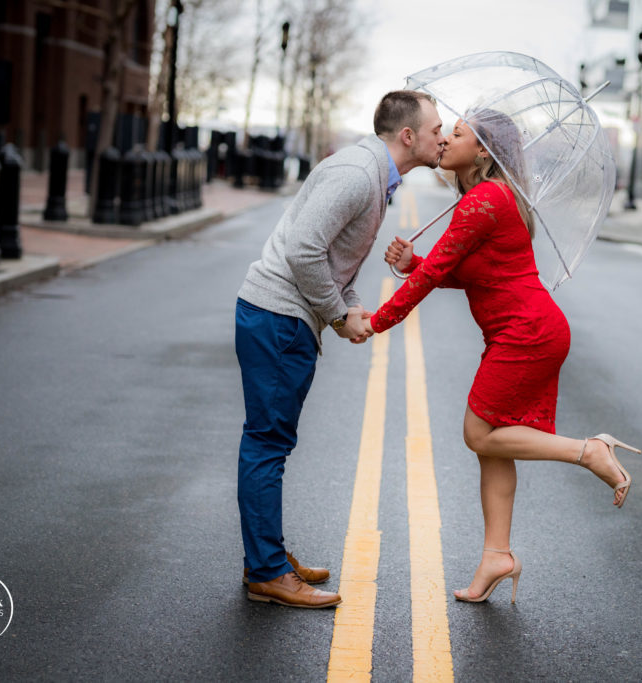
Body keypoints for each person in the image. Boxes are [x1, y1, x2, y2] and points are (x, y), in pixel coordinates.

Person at [369, 110, 641, 603]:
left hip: (526, 333)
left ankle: (589, 451)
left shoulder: (484, 200)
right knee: (493, 445)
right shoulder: (488, 197)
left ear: (483, 150)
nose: (445, 140)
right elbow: (472, 273)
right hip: (522, 332)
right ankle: (497, 555)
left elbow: (435, 276)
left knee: (478, 433)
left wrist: (377, 321)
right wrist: (414, 262)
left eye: (456, 134)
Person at [235, 91, 445, 609]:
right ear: (409, 136)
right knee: (267, 443)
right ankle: (267, 571)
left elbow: (331, 262)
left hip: (283, 318)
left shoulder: (374, 176)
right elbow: (303, 250)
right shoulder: (357, 175)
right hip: (279, 318)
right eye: (437, 129)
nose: (444, 138)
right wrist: (336, 313)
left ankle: (267, 557)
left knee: (271, 442)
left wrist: (349, 307)